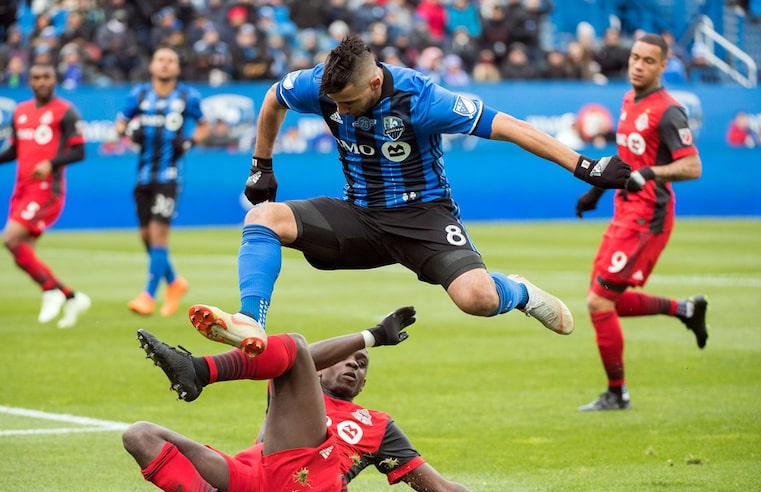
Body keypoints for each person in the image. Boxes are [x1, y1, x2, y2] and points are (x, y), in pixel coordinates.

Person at [190, 34, 633, 357]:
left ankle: (519, 292)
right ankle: (252, 320)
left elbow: (512, 128)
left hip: (424, 217)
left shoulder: (422, 99)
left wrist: (585, 165)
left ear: (375, 85)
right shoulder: (321, 84)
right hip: (359, 214)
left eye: (347, 103)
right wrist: (261, 165)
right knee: (262, 218)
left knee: (476, 299)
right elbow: (273, 98)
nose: (339, 113)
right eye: (334, 104)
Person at [123, 306, 561, 492]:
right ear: (318, 372)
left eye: (363, 364)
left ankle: (199, 371)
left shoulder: (378, 425)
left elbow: (442, 489)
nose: (353, 366)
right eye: (346, 359)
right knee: (138, 434)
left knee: (290, 346)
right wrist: (372, 335)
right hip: (253, 482)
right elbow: (300, 358)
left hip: (307, 487)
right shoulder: (289, 381)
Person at [574, 34, 707, 411]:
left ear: (663, 66)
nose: (638, 65)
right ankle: (686, 310)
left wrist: (649, 173)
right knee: (607, 299)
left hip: (648, 217)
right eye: (635, 57)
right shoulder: (629, 99)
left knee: (599, 302)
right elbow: (625, 157)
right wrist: (597, 191)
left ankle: (618, 394)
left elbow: (692, 165)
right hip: (624, 210)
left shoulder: (669, 111)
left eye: (649, 60)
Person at [0, 62, 91, 328]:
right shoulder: (21, 112)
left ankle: (50, 291)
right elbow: (16, 148)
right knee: (20, 252)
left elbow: (80, 151)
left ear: (55, 79)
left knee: (10, 237)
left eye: (47, 76)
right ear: (29, 81)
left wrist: (50, 164)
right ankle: (70, 296)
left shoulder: (65, 112)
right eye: (36, 77)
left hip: (47, 189)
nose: (42, 81)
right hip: (21, 189)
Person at [115, 47, 211, 317]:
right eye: (160, 60)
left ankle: (148, 295)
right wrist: (127, 133)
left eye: (171, 61)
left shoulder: (187, 96)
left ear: (177, 68)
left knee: (158, 236)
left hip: (169, 177)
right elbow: (120, 124)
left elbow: (204, 126)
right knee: (146, 237)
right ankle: (175, 282)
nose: (165, 65)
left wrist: (190, 141)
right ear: (152, 66)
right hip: (143, 176)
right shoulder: (139, 94)